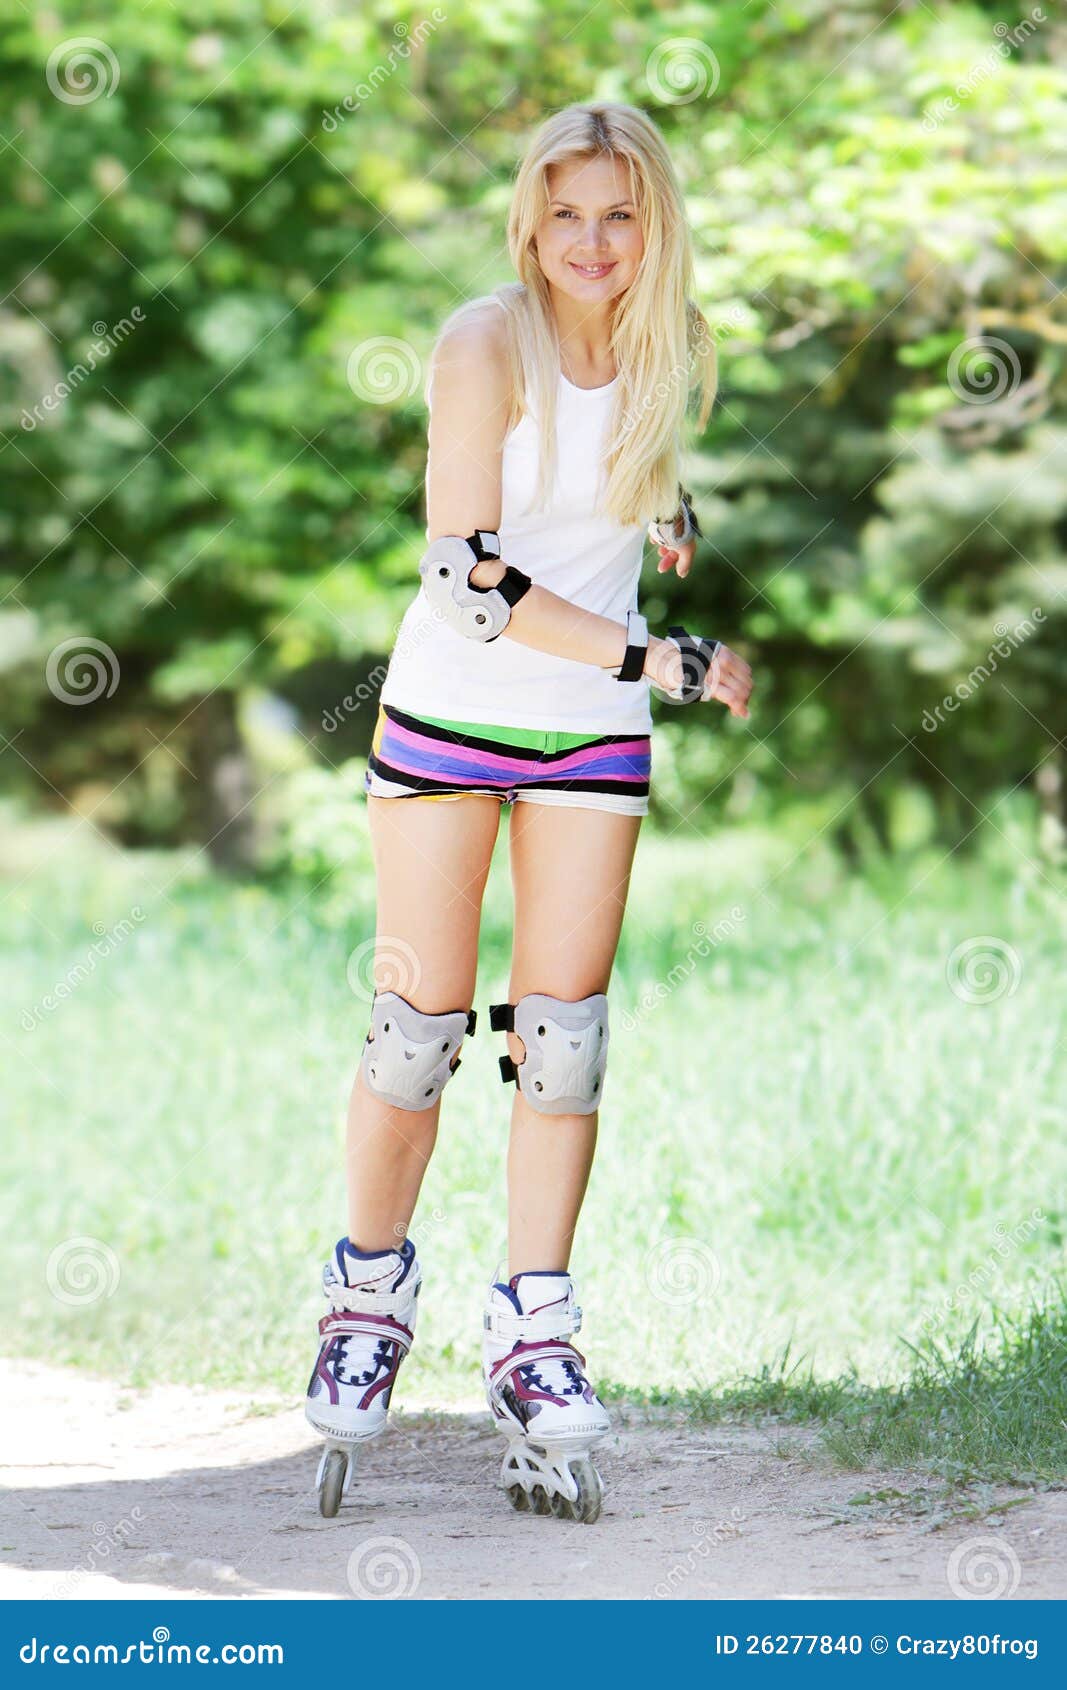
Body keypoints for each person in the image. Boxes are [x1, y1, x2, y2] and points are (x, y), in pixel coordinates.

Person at [305, 100, 754, 1522]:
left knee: (561, 1039)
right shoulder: (481, 339)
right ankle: (366, 1298)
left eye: (621, 213)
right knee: (419, 1024)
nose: (594, 242)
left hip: (585, 743)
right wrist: (658, 659)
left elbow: (620, 493)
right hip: (450, 711)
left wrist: (664, 525)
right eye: (568, 213)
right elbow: (470, 580)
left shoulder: (670, 347)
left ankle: (534, 1329)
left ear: (654, 222)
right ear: (529, 218)